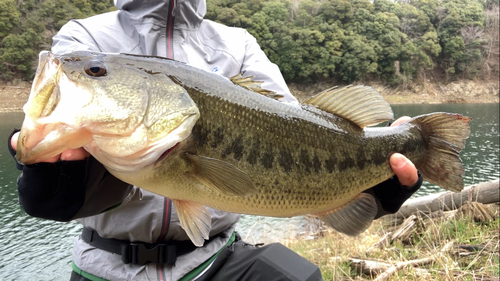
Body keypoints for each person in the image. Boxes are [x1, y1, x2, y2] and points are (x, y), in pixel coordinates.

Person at [7, 0, 422, 280]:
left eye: (95, 72)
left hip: (215, 259)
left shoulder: (237, 43)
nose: (83, 71)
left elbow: (299, 130)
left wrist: (372, 186)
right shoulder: (86, 38)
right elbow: (65, 121)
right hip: (107, 265)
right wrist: (47, 170)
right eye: (97, 72)